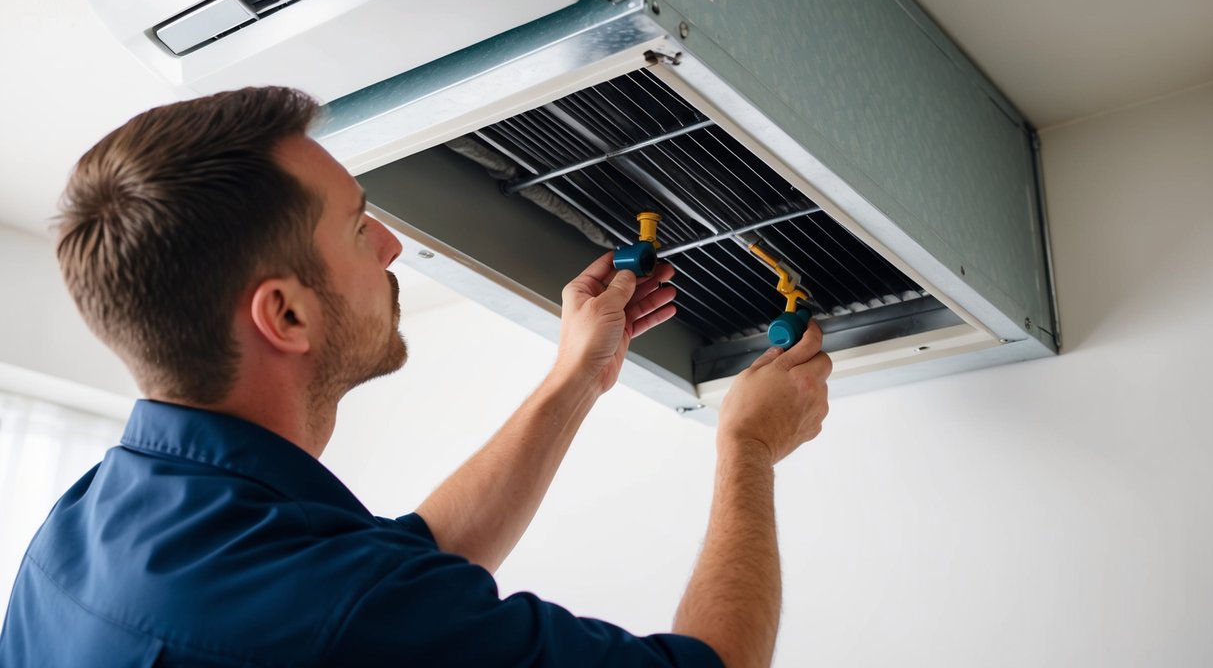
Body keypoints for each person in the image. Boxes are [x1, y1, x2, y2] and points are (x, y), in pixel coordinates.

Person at [0, 87, 831, 667]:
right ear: (285, 316)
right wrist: (748, 446)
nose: (393, 245)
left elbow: (405, 561)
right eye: (360, 229)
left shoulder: (78, 532)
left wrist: (575, 378)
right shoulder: (329, 613)